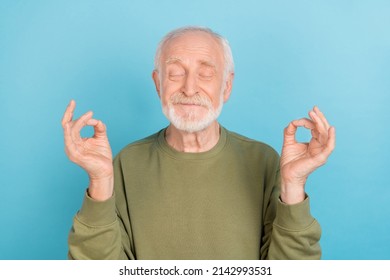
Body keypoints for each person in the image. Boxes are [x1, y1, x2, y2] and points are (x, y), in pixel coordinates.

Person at [62, 26, 335, 260]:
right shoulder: (126, 163)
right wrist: (99, 179)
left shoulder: (263, 161)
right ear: (158, 84)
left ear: (226, 86)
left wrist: (294, 185)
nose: (189, 89)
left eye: (205, 73)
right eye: (175, 73)